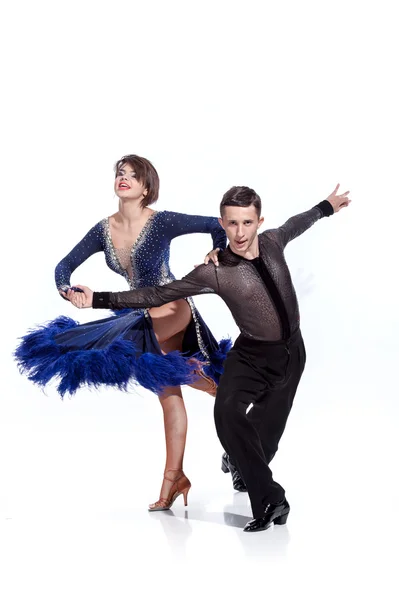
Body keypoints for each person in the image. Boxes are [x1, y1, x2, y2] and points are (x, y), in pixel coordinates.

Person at [64, 183, 351, 531]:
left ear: (260, 220)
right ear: (222, 223)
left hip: (292, 354)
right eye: (232, 224)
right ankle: (272, 501)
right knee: (227, 412)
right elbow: (157, 293)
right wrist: (98, 299)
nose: (240, 232)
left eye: (247, 223)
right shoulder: (214, 271)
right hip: (250, 356)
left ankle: (239, 464)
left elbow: (299, 221)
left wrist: (326, 206)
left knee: (266, 439)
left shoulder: (275, 241)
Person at [15, 154, 232, 511]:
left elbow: (217, 224)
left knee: (149, 358)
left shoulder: (162, 222)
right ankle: (175, 476)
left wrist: (217, 251)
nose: (124, 178)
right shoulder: (104, 229)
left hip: (172, 304)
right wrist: (66, 290)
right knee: (168, 388)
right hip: (138, 310)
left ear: (147, 188)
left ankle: (222, 395)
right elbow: (63, 266)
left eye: (133, 175)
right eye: (120, 173)